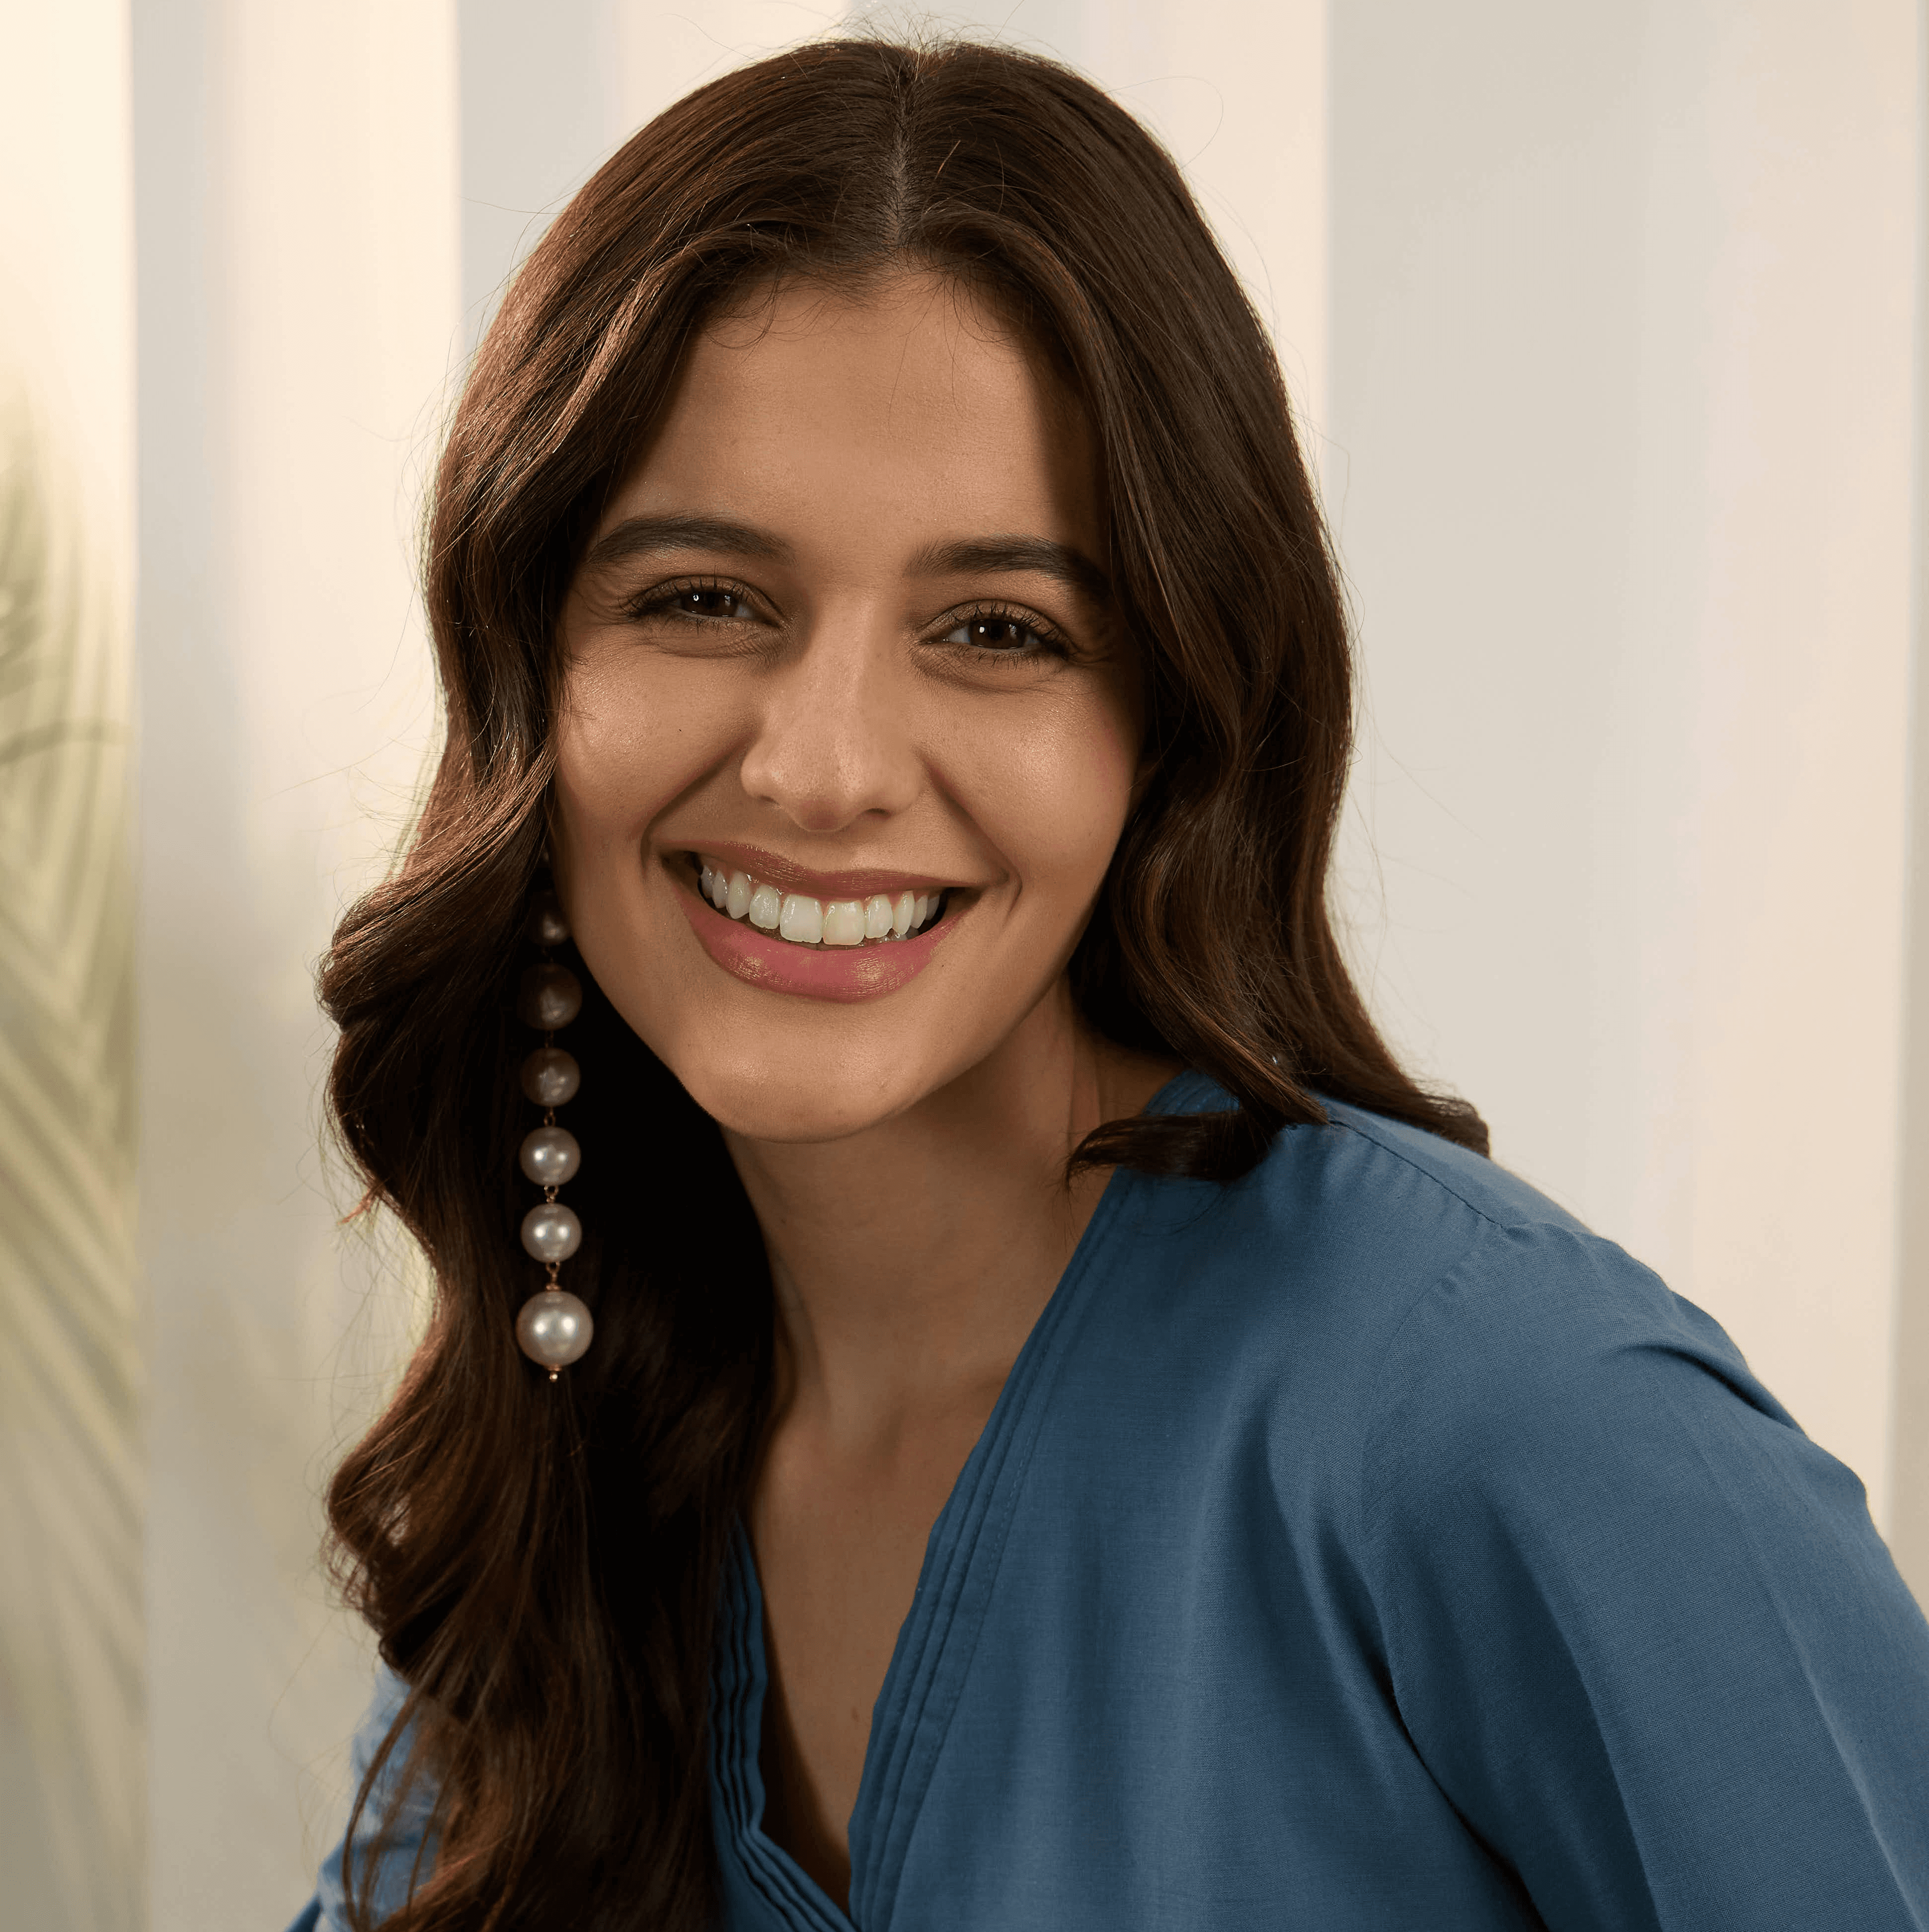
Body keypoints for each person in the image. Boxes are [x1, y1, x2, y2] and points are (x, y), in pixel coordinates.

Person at [287, 35, 1929, 1932]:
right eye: (701, 598)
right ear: (524, 677)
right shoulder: (574, 1430)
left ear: (1167, 727)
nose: (823, 767)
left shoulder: (1510, 1424)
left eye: (998, 630)